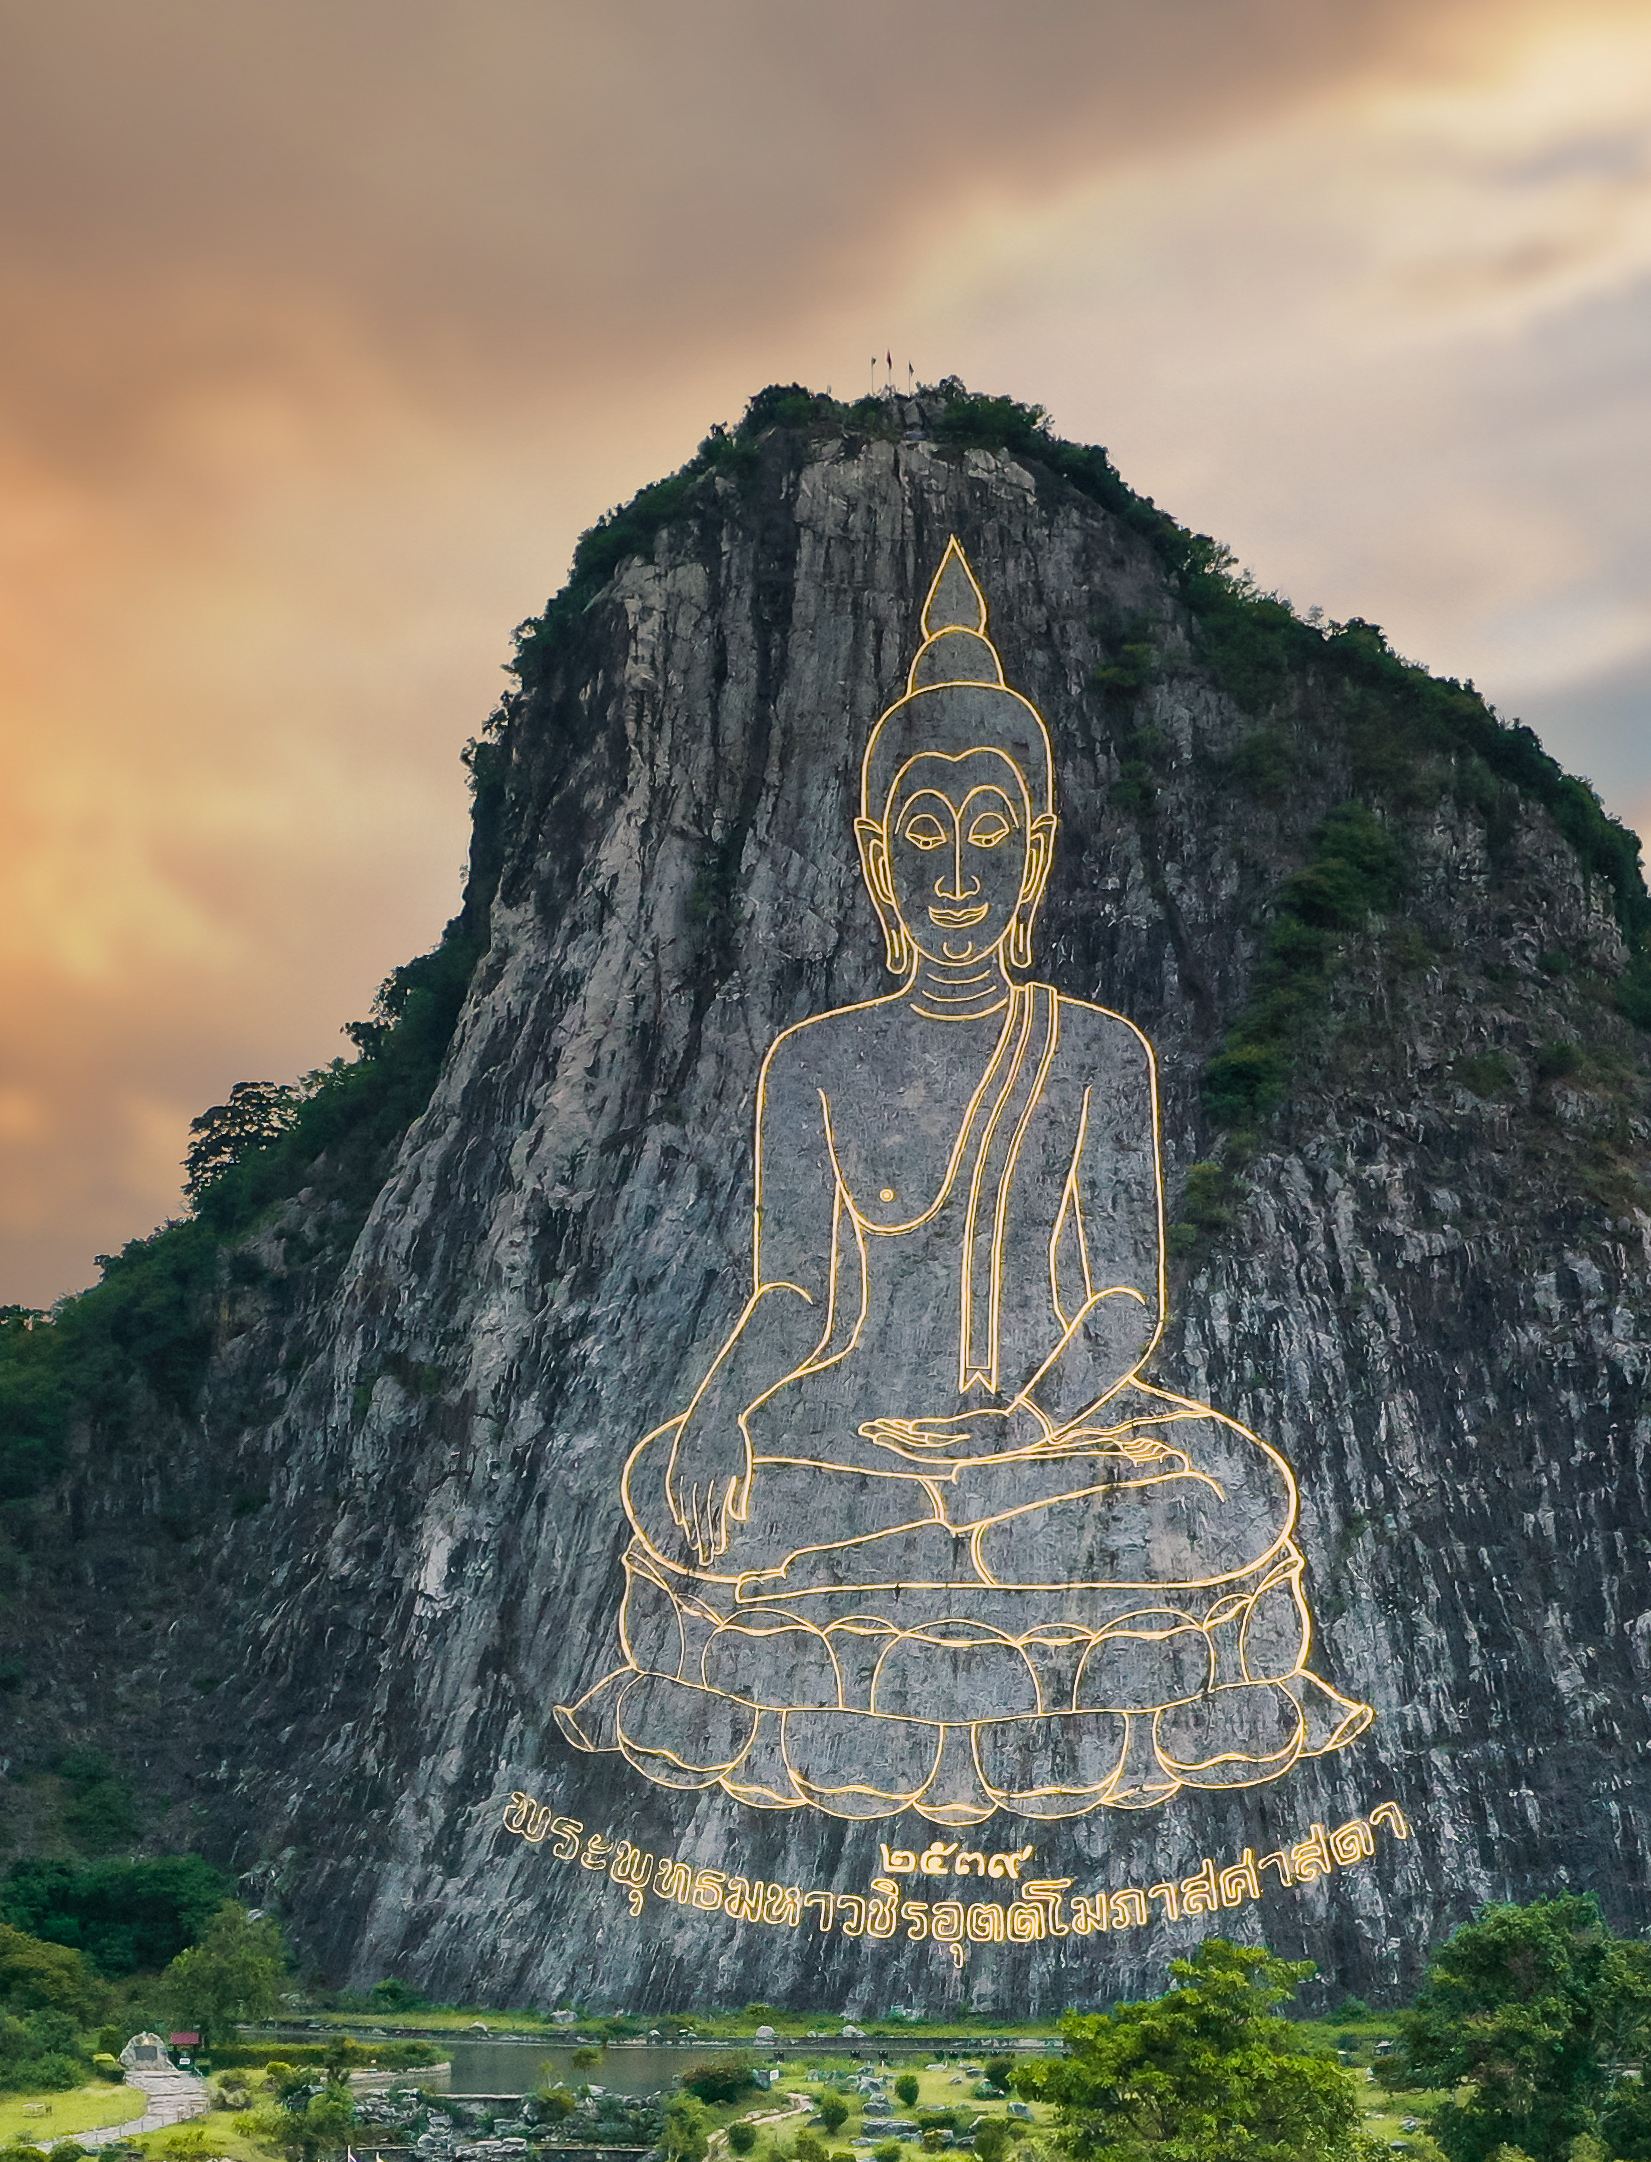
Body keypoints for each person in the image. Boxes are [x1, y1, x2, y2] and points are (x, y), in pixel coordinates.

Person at [558, 542, 1370, 1825]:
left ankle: (944, 1581)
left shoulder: (1100, 1050)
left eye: (988, 833)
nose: (954, 875)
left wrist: (1024, 1428)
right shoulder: (816, 1059)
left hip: (1050, 1445)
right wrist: (719, 1413)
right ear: (877, 853)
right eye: (923, 835)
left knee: (1227, 1493)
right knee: (692, 1481)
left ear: (1033, 850)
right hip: (858, 1446)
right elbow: (794, 1290)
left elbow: (1120, 1300)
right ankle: (964, 1578)